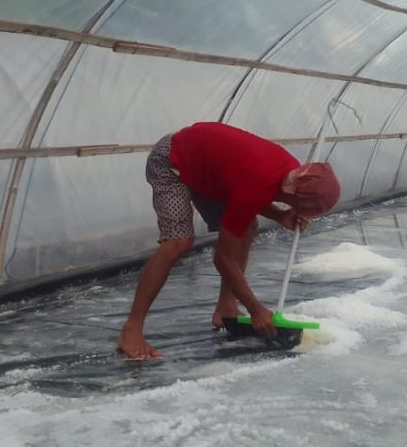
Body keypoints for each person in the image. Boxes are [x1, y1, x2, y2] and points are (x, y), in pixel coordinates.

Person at [118, 122, 341, 360]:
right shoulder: (259, 181)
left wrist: (279, 215)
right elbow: (222, 258)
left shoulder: (293, 175)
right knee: (178, 241)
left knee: (245, 228)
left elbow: (251, 190)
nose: (303, 214)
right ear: (296, 196)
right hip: (173, 161)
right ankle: (131, 328)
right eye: (302, 209)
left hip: (210, 170)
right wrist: (256, 309)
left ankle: (226, 307)